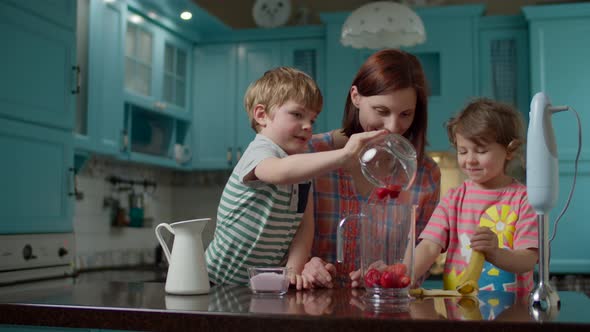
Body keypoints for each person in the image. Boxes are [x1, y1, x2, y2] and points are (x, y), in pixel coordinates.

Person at [205, 67, 386, 289]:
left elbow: (304, 227)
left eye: (312, 119)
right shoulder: (260, 151)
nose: (308, 126)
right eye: (297, 114)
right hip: (213, 280)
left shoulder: (301, 167)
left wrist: (291, 271)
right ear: (261, 115)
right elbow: (279, 171)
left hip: (257, 286)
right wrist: (344, 155)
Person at [301, 49, 442, 288]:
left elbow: (422, 253)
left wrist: (396, 273)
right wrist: (304, 264)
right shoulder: (311, 154)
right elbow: (277, 240)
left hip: (383, 313)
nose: (393, 127)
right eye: (382, 111)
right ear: (356, 97)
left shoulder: (425, 173)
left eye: (406, 114)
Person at [413, 97, 538, 296]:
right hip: (458, 308)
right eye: (463, 151)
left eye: (481, 151)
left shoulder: (524, 199)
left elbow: (528, 259)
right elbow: (428, 247)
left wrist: (496, 253)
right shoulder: (454, 199)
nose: (470, 160)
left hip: (513, 313)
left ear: (509, 151)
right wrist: (399, 279)